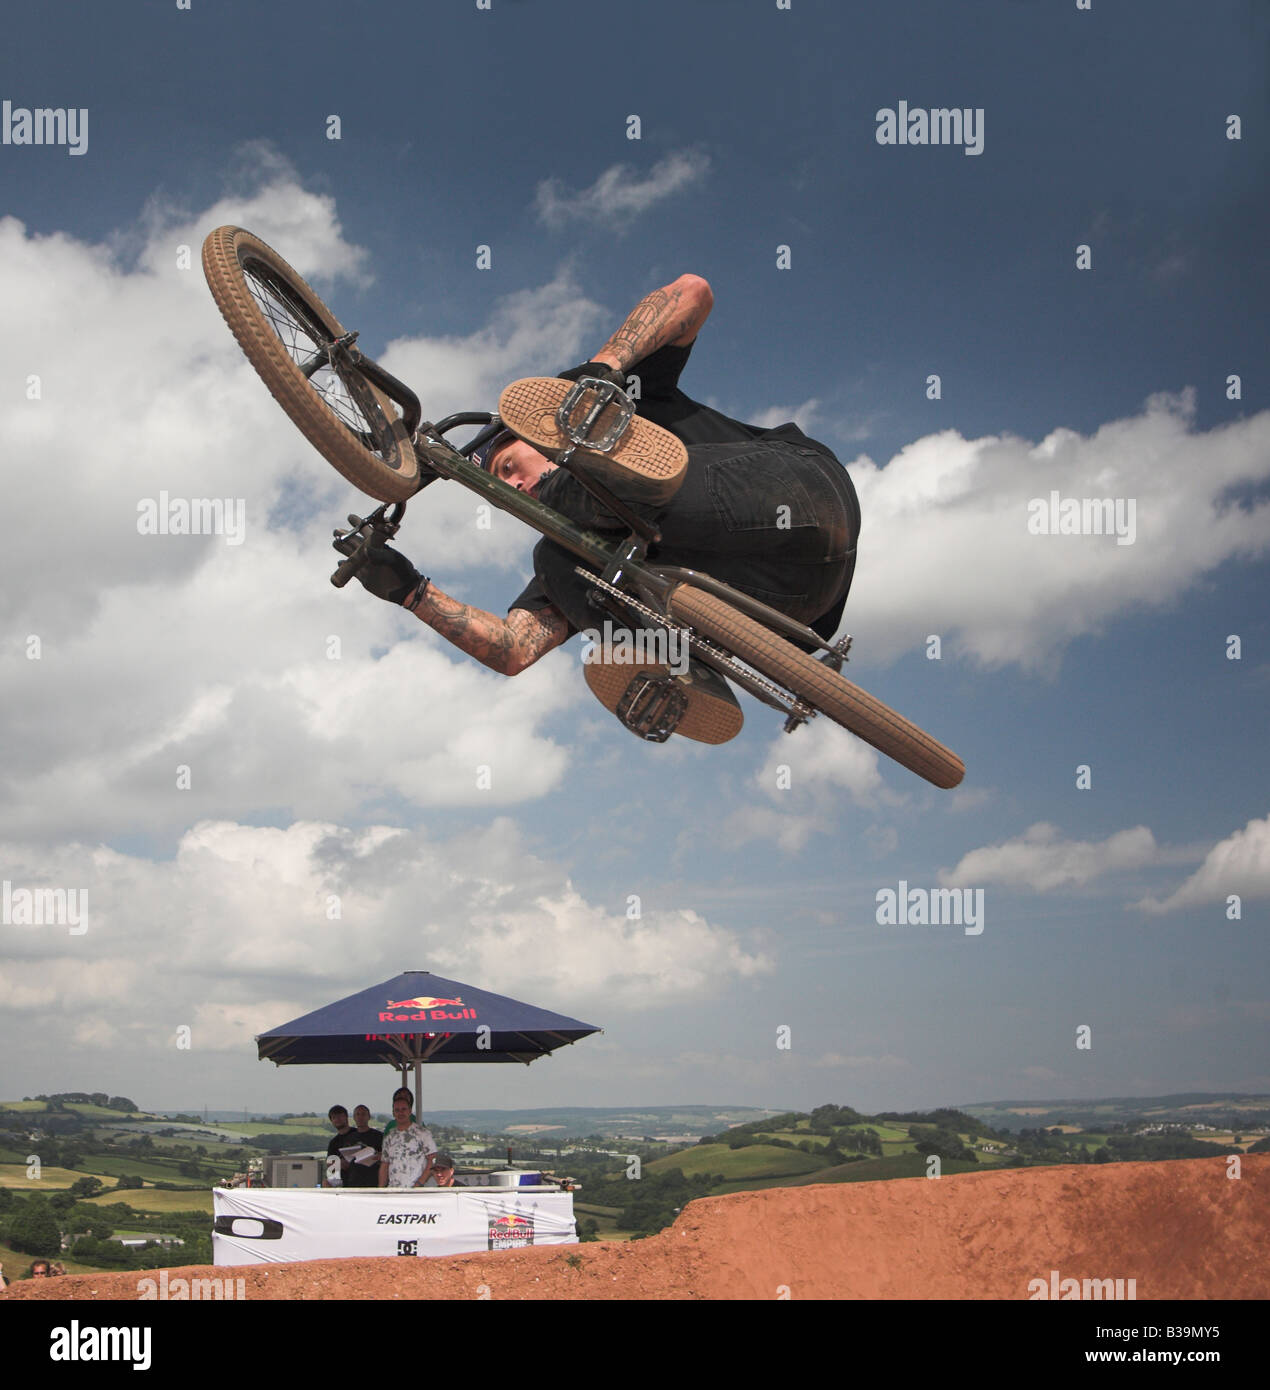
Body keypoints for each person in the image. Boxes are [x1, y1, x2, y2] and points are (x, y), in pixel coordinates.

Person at [338, 274, 860, 744]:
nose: (517, 486)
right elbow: (513, 647)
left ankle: (603, 467)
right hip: (787, 613)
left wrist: (604, 369)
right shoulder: (571, 545)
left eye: (511, 467)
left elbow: (693, 292)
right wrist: (410, 592)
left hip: (794, 495)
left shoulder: (600, 399)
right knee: (558, 560)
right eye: (506, 485)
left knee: (577, 482)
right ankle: (683, 669)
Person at [378, 1094, 437, 1188]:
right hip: (394, 1191)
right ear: (393, 1113)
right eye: (397, 1110)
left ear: (410, 1111)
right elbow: (385, 1164)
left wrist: (419, 1184)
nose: (400, 1113)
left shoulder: (423, 1133)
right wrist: (380, 1190)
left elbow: (433, 1160)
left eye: (403, 1109)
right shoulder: (389, 1137)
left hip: (416, 1191)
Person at [342, 1104, 384, 1188]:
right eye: (357, 1114)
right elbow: (345, 1161)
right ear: (354, 1117)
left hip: (373, 1180)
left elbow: (385, 1156)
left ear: (369, 1117)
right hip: (354, 1181)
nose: (360, 1117)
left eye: (363, 1114)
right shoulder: (349, 1138)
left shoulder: (379, 1136)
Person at [323, 1104, 355, 1187]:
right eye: (334, 1117)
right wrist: (340, 1163)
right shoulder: (333, 1143)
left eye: (340, 1116)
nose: (337, 1119)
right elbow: (331, 1166)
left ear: (346, 1117)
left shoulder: (357, 1134)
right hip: (343, 1182)